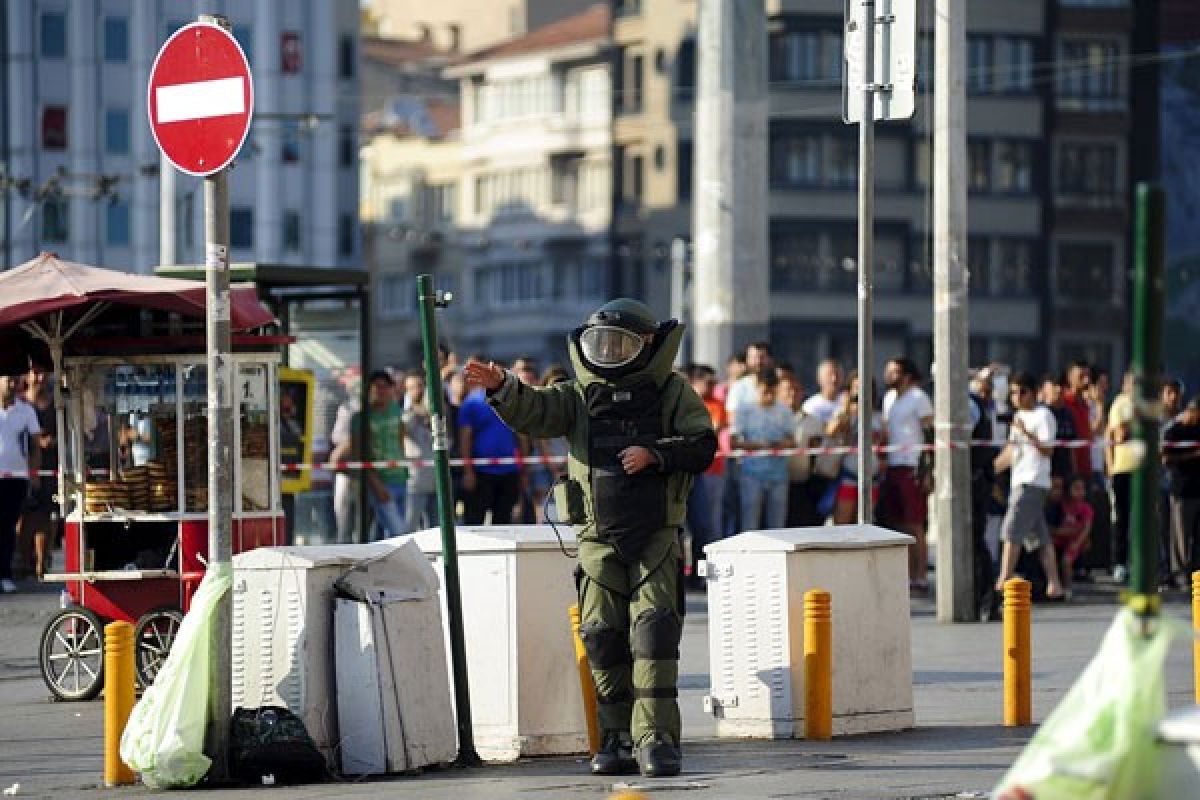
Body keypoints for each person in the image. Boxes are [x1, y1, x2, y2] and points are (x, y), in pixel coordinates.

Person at [463, 298, 715, 778]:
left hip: (656, 537)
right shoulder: (578, 394)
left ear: (648, 345)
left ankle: (657, 739)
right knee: (602, 638)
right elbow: (536, 412)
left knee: (654, 635)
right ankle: (615, 737)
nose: (611, 352)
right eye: (603, 343)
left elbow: (702, 444)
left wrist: (654, 455)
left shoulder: (672, 392)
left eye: (622, 343)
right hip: (597, 540)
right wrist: (503, 389)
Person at [992, 372, 1066, 600]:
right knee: (1040, 537)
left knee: (1011, 531)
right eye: (1013, 392)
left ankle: (1003, 580)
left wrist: (1026, 432)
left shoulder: (1043, 416)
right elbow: (1012, 451)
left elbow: (1048, 449)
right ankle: (1055, 584)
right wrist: (991, 469)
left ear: (1032, 392)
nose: (1016, 397)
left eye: (1021, 392)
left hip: (1032, 481)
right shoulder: (1018, 417)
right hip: (1019, 479)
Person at [331, 370, 408, 540]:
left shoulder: (397, 411)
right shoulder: (360, 419)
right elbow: (360, 456)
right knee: (398, 533)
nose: (381, 391)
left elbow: (401, 442)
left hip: (400, 479)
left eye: (385, 387)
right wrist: (376, 484)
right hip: (378, 483)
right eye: (377, 387)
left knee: (386, 535)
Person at [879, 357, 934, 591]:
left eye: (894, 372)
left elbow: (930, 433)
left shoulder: (919, 398)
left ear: (907, 376)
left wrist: (929, 470)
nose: (889, 376)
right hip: (893, 464)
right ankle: (906, 574)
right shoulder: (888, 399)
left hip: (913, 464)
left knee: (915, 522)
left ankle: (920, 575)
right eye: (888, 370)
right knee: (897, 522)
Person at [459, 360, 522, 525]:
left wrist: (523, 469)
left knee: (504, 523)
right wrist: (468, 472)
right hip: (481, 472)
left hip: (509, 470)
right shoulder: (471, 403)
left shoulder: (514, 398)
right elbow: (465, 438)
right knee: (475, 523)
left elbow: (521, 434)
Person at [733, 369, 794, 531]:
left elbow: (792, 440)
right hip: (751, 474)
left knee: (777, 525)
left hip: (779, 475)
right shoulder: (744, 409)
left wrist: (780, 444)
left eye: (773, 392)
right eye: (765, 391)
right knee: (749, 523)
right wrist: (760, 445)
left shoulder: (785, 410)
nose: (769, 396)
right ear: (757, 388)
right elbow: (734, 442)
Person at [0, 374, 40, 593]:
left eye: (16, 380)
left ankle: (5, 574)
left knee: (7, 527)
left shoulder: (26, 411)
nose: (13, 384)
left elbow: (35, 445)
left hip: (16, 477)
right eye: (8, 379)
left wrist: (33, 474)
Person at [17, 364, 56, 581]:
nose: (39, 377)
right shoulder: (21, 404)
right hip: (22, 466)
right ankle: (23, 560)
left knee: (44, 517)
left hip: (49, 466)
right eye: (34, 372)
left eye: (42, 372)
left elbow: (63, 430)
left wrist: (53, 441)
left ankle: (42, 562)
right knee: (23, 519)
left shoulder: (52, 404)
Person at [1162, 396, 1200, 588]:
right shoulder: (1175, 431)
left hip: (1198, 488)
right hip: (1182, 489)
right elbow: (1166, 458)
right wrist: (1191, 455)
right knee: (1180, 536)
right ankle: (1180, 573)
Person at [781, 373, 827, 527]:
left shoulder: (813, 421)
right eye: (788, 390)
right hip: (777, 481)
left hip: (802, 483)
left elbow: (817, 451)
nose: (792, 394)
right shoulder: (774, 418)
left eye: (796, 390)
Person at [1106, 371, 1138, 584]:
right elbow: (1119, 434)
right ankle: (1119, 563)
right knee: (1123, 517)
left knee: (1142, 520)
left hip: (1144, 470)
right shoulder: (1121, 403)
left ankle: (1139, 562)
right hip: (1123, 468)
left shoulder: (1149, 403)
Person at [402, 371, 438, 532]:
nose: (417, 390)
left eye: (420, 386)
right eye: (412, 387)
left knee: (436, 528)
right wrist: (413, 412)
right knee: (409, 525)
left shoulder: (434, 413)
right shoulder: (404, 415)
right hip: (415, 480)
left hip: (435, 479)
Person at [1048, 474, 1094, 597]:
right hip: (1060, 538)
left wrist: (1078, 543)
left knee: (1066, 561)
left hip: (1075, 540)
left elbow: (1086, 528)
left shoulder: (1086, 508)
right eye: (1076, 488)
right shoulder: (1062, 505)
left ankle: (1068, 588)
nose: (1080, 492)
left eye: (1082, 489)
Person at [1039, 374, 1077, 483]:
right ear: (1044, 389)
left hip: (1065, 472)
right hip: (1046, 473)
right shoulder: (1040, 413)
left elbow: (1072, 446)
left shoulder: (1068, 415)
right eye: (1054, 385)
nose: (1058, 389)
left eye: (1061, 385)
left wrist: (1074, 473)